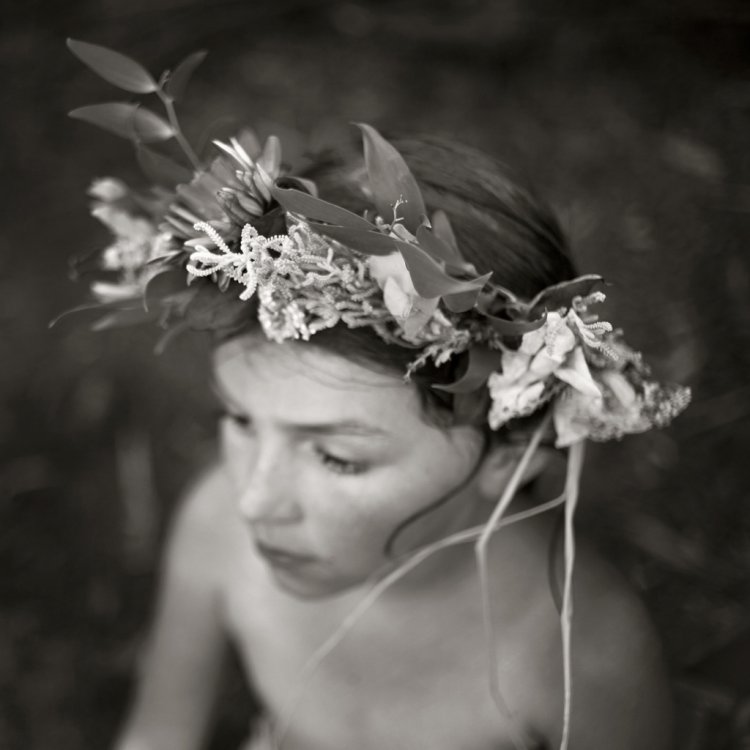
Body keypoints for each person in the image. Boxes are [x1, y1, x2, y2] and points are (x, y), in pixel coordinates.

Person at [68, 67, 690, 746]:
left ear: (509, 452)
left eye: (338, 457)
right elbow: (159, 735)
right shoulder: (217, 525)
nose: (253, 499)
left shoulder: (581, 659)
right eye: (241, 421)